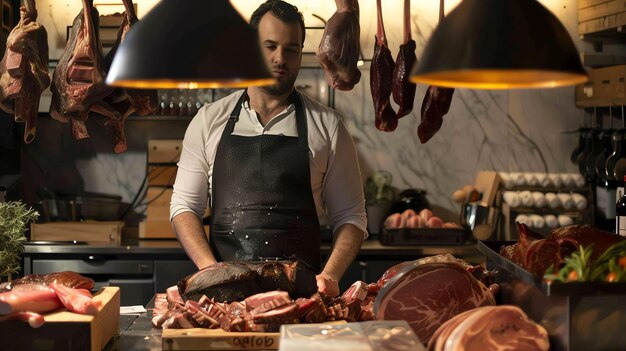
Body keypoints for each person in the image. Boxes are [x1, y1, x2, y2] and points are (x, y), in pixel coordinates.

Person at [170, 0, 366, 297]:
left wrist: (330, 274)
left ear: (302, 53)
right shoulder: (209, 121)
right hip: (224, 297)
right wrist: (210, 271)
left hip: (301, 299)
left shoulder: (329, 126)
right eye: (270, 46)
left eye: (291, 49)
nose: (280, 58)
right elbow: (184, 206)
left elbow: (351, 216)